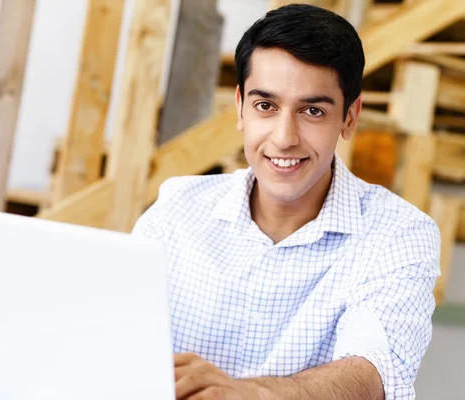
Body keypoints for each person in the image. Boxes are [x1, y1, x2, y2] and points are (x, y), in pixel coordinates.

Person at [131, 3, 440, 400]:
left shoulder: (398, 235)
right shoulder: (177, 209)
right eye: (266, 106)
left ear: (349, 117)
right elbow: (116, 334)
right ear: (240, 107)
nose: (283, 138)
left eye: (312, 111)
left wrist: (248, 394)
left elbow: (372, 374)